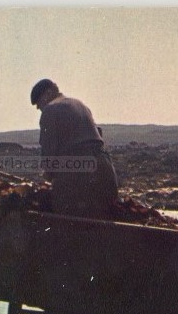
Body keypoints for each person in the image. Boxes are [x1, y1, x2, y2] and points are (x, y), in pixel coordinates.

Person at [30, 78, 119, 219]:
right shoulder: (80, 105)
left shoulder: (50, 110)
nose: (39, 108)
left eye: (38, 103)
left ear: (48, 93)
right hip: (106, 173)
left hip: (80, 177)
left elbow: (49, 154)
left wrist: (48, 177)